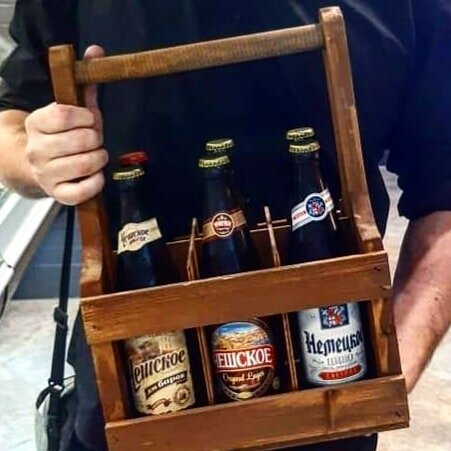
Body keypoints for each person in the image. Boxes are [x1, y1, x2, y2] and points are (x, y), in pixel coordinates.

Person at [0, 1, 450, 450]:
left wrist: (396, 363)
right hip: (134, 401)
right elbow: (13, 115)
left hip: (329, 401)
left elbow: (443, 195)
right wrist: (36, 157)